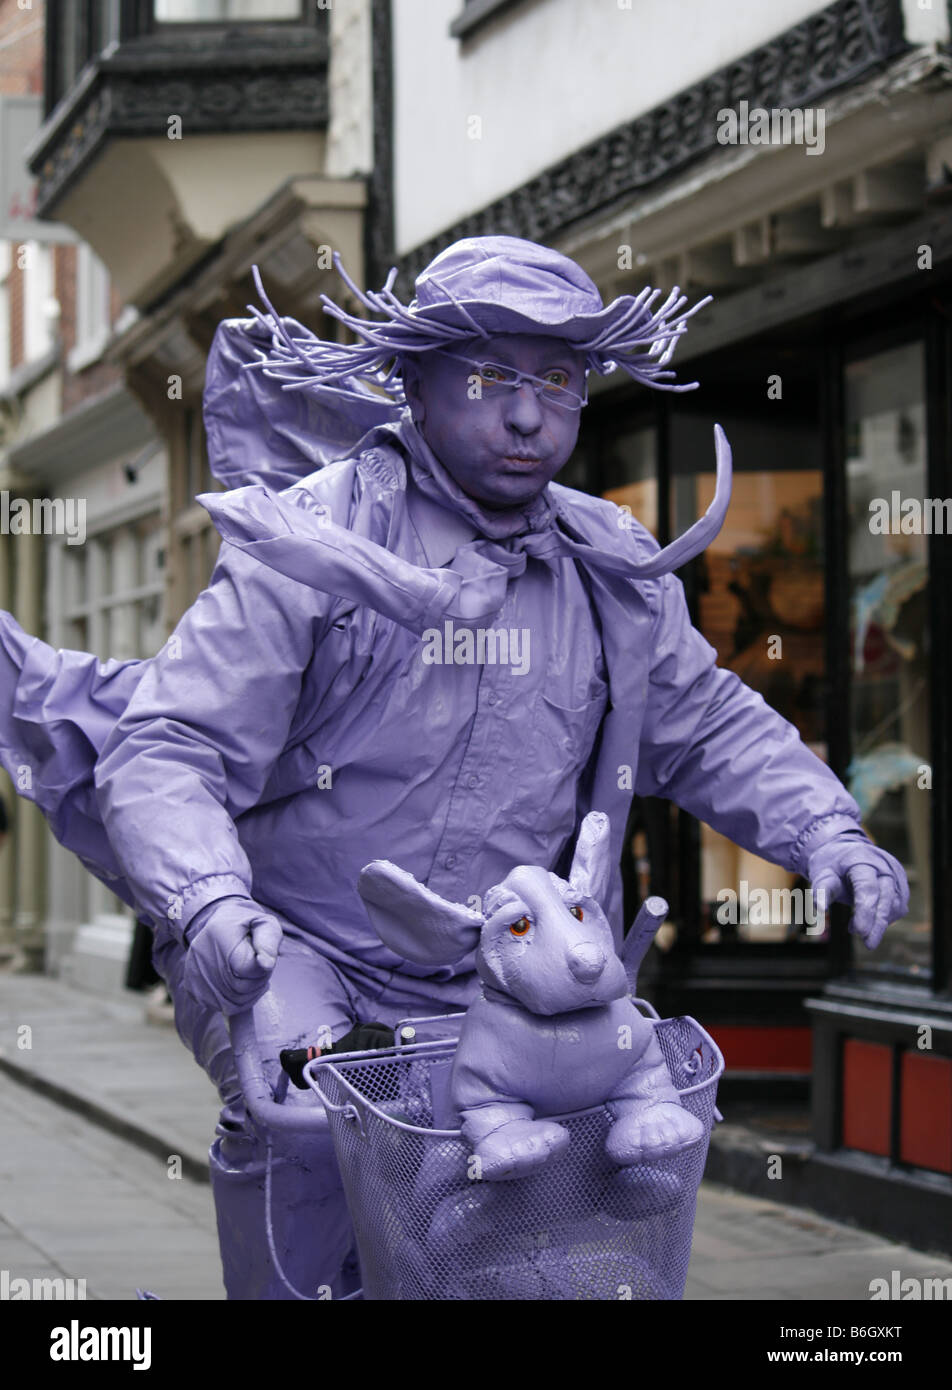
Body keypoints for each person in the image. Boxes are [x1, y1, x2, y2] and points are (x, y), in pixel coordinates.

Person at [0, 236, 908, 1300]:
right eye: (489, 378)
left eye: (558, 381)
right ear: (415, 385)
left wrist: (824, 828)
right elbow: (172, 744)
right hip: (296, 945)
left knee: (542, 1199)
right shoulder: (319, 536)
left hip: (515, 967)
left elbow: (702, 721)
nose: (528, 416)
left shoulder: (610, 563)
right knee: (302, 1112)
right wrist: (206, 902)